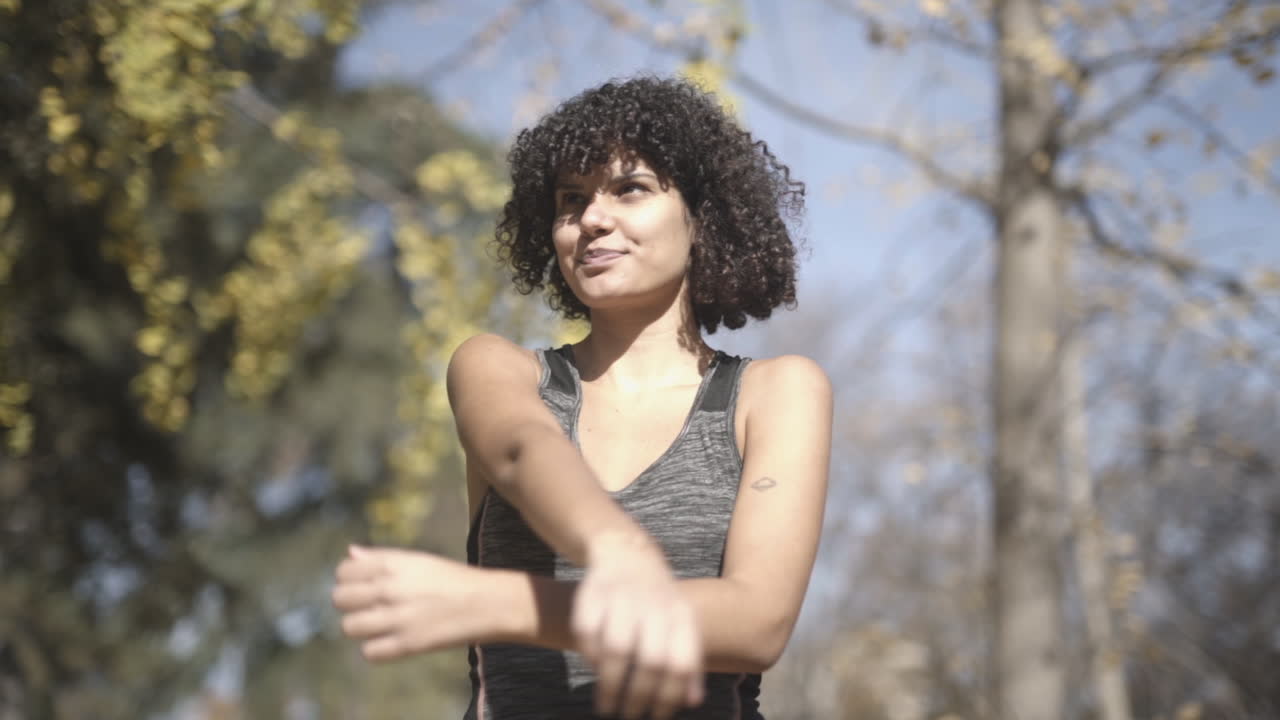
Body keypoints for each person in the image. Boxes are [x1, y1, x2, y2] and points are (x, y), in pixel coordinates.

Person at [332, 76, 832, 720]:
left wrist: (505, 605)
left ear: (702, 219)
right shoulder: (497, 368)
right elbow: (520, 448)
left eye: (631, 188)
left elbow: (756, 625)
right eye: (572, 200)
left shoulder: (777, 392)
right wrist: (616, 551)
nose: (592, 218)